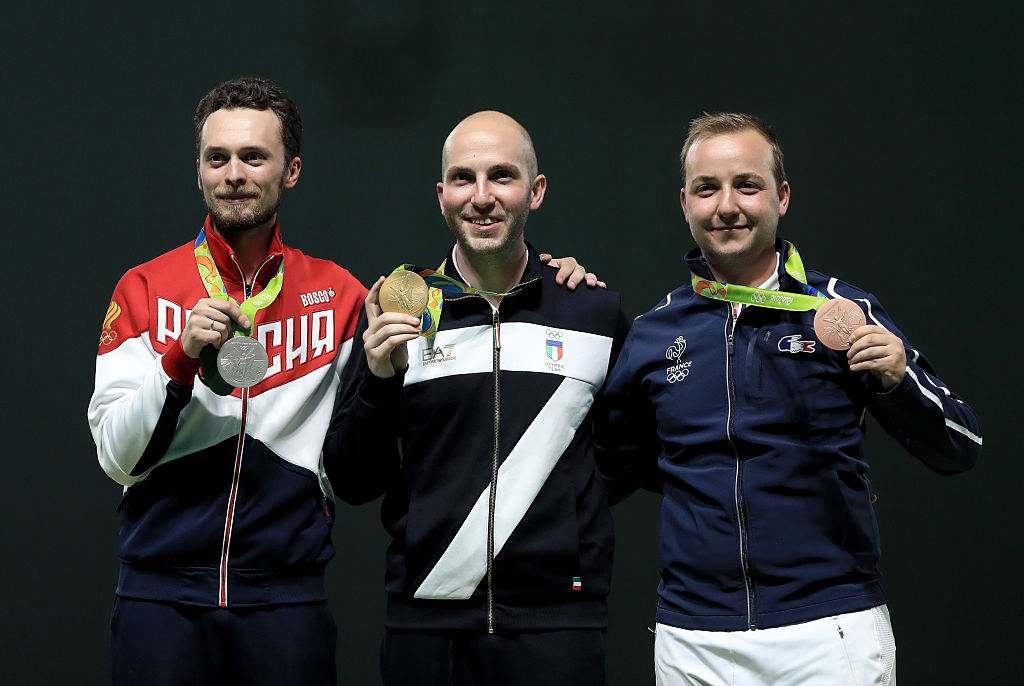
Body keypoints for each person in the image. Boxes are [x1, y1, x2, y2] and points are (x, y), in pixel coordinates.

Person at [88, 79, 593, 686]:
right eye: (216, 158)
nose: (234, 174)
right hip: (158, 600)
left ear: (290, 170)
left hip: (286, 605)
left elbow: (459, 302)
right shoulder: (143, 289)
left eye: (254, 157)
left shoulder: (348, 297)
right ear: (198, 170)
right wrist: (179, 358)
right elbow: (116, 458)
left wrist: (549, 274)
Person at [595, 112, 982, 685]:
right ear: (685, 203)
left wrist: (897, 382)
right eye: (708, 188)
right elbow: (612, 469)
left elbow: (960, 445)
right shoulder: (654, 332)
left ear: (782, 196)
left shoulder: (841, 312)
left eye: (746, 185)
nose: (727, 206)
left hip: (829, 629)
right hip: (693, 638)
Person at [323, 110, 629, 686]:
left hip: (558, 627)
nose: (482, 197)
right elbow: (352, 479)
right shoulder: (398, 314)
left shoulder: (592, 311)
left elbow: (624, 454)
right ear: (441, 195)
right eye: (464, 178)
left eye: (502, 177)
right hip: (425, 630)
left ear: (535, 192)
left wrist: (559, 507)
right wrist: (381, 380)